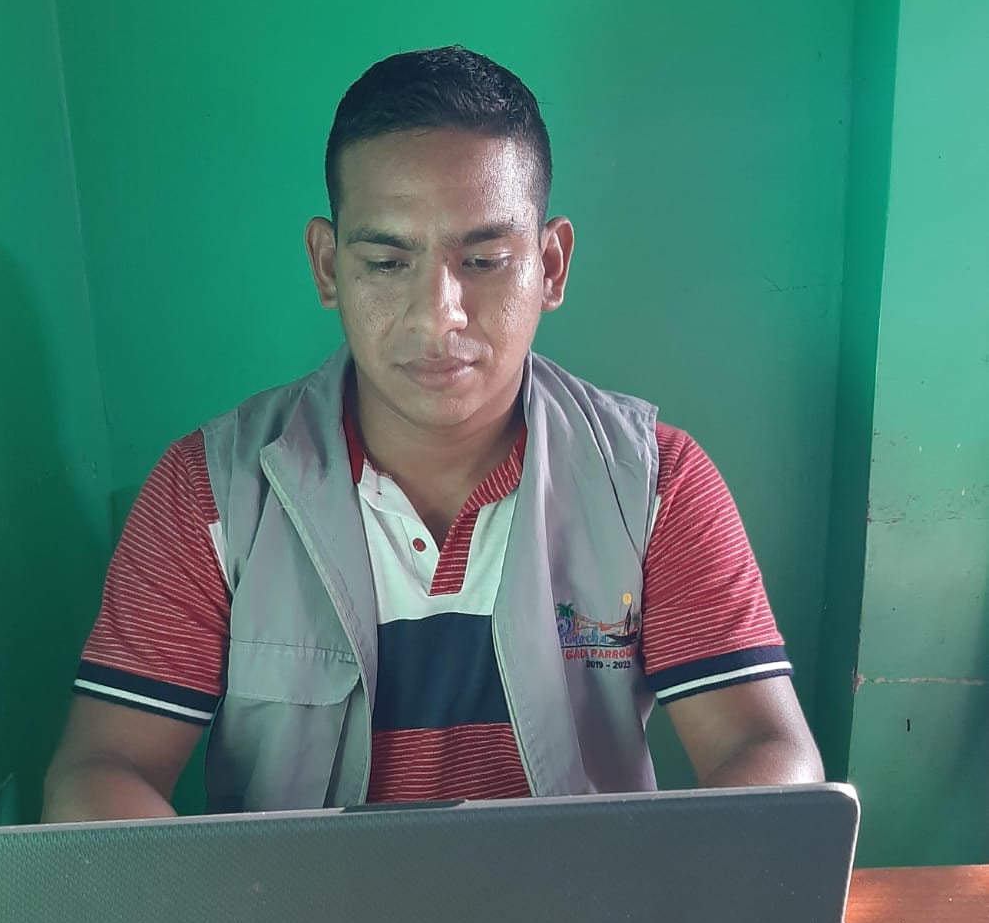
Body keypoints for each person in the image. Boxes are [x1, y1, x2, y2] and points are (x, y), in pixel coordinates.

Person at [42, 46, 824, 824]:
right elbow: (101, 770)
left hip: (582, 905)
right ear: (327, 267)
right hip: (297, 907)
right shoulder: (213, 490)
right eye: (387, 263)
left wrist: (659, 886)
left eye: (483, 260)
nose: (436, 314)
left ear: (550, 267)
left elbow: (768, 750)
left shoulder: (650, 482)